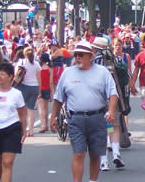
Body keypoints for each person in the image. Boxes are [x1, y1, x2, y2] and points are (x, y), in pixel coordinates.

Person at [50, 41, 118, 182]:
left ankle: (93, 180)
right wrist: (53, 117)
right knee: (79, 154)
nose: (78, 57)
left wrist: (111, 111)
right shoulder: (68, 73)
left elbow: (112, 93)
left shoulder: (102, 72)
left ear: (90, 56)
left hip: (97, 117)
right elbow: (58, 98)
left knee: (95, 154)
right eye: (76, 55)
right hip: (76, 119)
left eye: (81, 55)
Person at [15, 47, 41, 137]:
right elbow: (39, 78)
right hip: (34, 87)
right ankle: (31, 131)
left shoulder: (21, 62)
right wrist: (39, 90)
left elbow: (16, 74)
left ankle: (23, 130)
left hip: (24, 86)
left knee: (23, 110)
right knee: (31, 109)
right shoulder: (36, 64)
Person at [37, 53, 54, 133]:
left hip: (40, 88)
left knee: (41, 108)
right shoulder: (50, 69)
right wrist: (52, 92)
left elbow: (37, 80)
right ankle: (46, 125)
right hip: (47, 88)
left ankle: (43, 125)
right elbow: (51, 82)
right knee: (46, 108)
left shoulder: (39, 69)